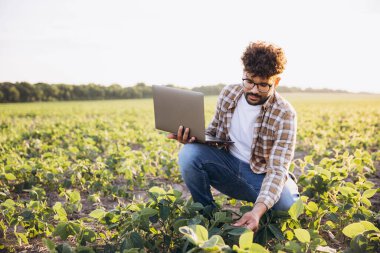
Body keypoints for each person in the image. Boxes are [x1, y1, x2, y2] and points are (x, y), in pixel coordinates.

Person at [167, 41, 299, 232]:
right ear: (244, 72)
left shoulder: (285, 114)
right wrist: (192, 137)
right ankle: (209, 218)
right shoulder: (229, 93)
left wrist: (256, 212)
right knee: (189, 153)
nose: (254, 90)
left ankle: (264, 209)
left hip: (260, 175)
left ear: (276, 81)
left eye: (263, 85)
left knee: (287, 206)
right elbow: (213, 133)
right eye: (249, 81)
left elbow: (277, 170)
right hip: (227, 165)